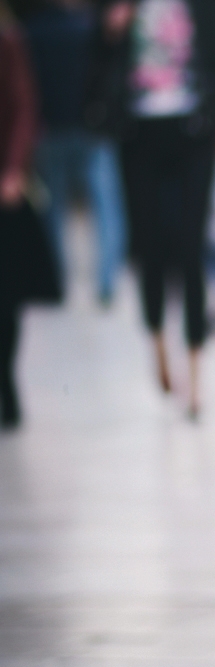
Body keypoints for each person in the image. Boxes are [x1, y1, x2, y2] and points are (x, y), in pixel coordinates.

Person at [90, 0, 215, 416]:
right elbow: (95, 64)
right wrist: (110, 32)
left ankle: (196, 371)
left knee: (192, 247)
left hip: (194, 131)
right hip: (137, 134)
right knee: (149, 246)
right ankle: (157, 344)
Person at [23, 0, 128, 304]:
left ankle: (57, 280)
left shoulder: (33, 31)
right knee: (106, 208)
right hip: (92, 128)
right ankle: (106, 280)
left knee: (53, 211)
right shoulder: (90, 28)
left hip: (52, 128)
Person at [0, 0, 60, 428]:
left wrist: (13, 170)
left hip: (4, 189)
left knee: (6, 297)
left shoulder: (8, 40)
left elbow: (24, 105)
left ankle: (5, 379)